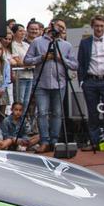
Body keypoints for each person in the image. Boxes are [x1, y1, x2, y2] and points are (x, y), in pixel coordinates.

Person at [23, 20, 77, 153]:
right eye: (59, 26)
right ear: (52, 25)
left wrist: (61, 58)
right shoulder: (37, 42)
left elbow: (75, 65)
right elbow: (27, 60)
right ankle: (44, 141)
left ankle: (54, 141)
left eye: (63, 27)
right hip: (42, 83)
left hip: (60, 83)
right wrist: (41, 58)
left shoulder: (66, 45)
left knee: (57, 113)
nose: (61, 29)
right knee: (42, 112)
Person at [77, 16, 104, 151]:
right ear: (92, 27)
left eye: (101, 26)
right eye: (96, 26)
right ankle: (94, 142)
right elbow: (81, 63)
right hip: (90, 81)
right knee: (92, 113)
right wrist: (82, 82)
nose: (99, 28)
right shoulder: (85, 43)